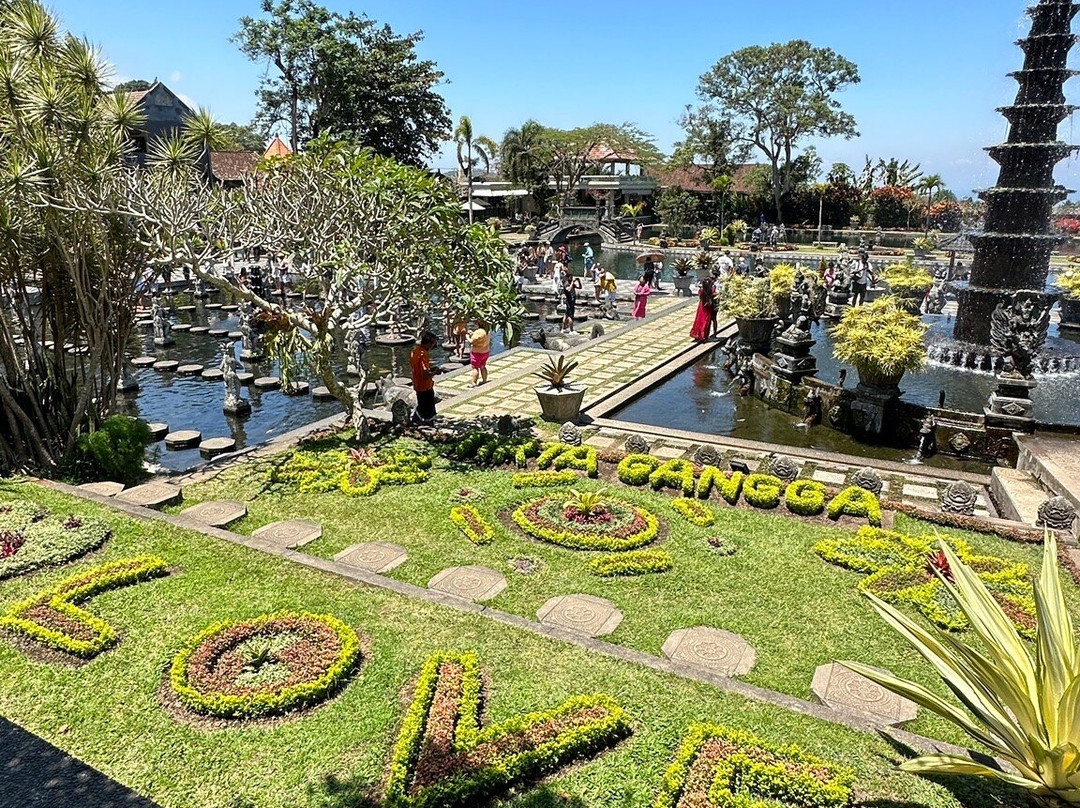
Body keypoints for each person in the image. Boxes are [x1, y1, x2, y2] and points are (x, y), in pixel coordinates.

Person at [410, 332, 439, 424]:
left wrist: (430, 369)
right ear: (429, 343)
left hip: (417, 383)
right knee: (427, 409)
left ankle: (418, 420)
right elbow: (425, 374)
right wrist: (435, 372)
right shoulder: (422, 355)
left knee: (422, 405)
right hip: (425, 386)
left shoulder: (415, 351)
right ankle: (426, 423)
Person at [690, 276, 717, 341]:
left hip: (702, 306)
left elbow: (701, 297)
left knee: (700, 320)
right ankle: (704, 335)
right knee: (706, 321)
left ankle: (699, 334)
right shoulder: (711, 290)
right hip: (708, 307)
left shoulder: (702, 290)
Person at [469, 320, 491, 386]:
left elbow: (471, 341)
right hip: (485, 352)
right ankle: (484, 380)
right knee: (483, 366)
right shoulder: (487, 331)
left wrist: (467, 337)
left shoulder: (478, 332)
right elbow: (481, 338)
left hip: (477, 353)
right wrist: (473, 334)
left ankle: (473, 383)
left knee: (475, 368)